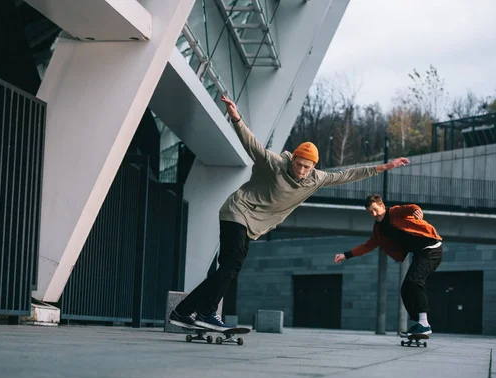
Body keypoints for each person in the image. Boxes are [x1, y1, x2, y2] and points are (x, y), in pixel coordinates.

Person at [169, 94, 411, 331]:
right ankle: (207, 313)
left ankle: (183, 311)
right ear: (293, 159)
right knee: (231, 264)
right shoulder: (274, 164)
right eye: (298, 164)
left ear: (314, 166)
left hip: (253, 224)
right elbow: (252, 145)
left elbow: (348, 174)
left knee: (230, 268)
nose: (302, 170)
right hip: (237, 211)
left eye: (307, 167)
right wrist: (236, 118)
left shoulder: (318, 179)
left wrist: (385, 167)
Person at [334, 194, 443, 336]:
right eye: (370, 212)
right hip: (420, 253)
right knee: (405, 289)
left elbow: (410, 207)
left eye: (375, 210)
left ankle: (424, 324)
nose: (374, 214)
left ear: (382, 206)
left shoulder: (394, 212)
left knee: (415, 281)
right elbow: (368, 246)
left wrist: (417, 211)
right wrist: (346, 255)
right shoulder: (378, 230)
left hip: (432, 248)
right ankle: (420, 322)